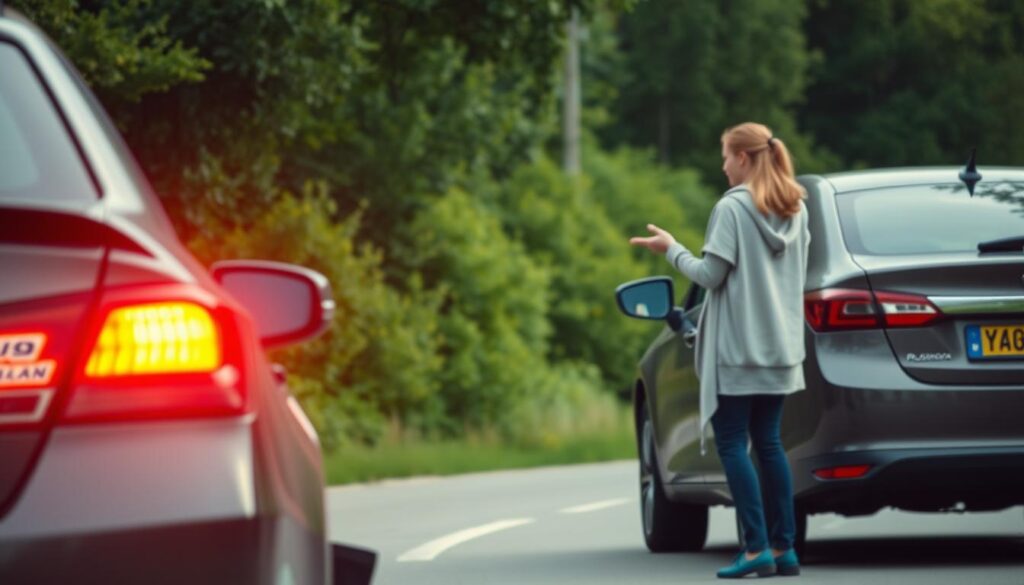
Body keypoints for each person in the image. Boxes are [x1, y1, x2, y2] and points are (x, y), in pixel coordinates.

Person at [629, 122, 810, 579]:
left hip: (738, 347)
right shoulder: (795, 208)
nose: (723, 164)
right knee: (769, 443)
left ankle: (754, 548)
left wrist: (671, 250)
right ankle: (783, 547)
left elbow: (709, 276)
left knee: (733, 442)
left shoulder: (732, 208)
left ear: (745, 158)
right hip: (780, 347)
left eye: (726, 155)